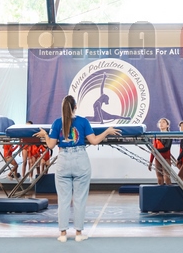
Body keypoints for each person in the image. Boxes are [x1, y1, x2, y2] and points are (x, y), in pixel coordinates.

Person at [34, 95, 120, 243]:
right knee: (80, 199)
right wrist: (107, 131)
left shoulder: (57, 123)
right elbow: (94, 141)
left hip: (63, 160)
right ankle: (78, 233)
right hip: (80, 159)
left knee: (63, 200)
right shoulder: (83, 121)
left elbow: (51, 145)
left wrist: (45, 135)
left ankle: (62, 234)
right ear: (75, 107)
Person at [148, 118, 172, 185]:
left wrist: (155, 150)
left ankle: (169, 190)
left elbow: (167, 148)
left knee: (166, 176)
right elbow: (153, 150)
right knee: (159, 177)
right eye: (160, 122)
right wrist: (150, 162)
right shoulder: (156, 136)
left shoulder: (170, 135)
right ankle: (160, 190)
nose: (161, 124)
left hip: (166, 158)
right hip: (157, 158)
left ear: (167, 125)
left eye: (163, 122)